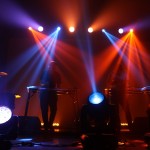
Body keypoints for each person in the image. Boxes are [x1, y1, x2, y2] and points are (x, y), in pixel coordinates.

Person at [108, 64, 133, 133]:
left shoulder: (123, 73)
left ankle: (130, 127)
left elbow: (126, 82)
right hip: (116, 94)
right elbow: (109, 82)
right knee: (116, 112)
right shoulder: (113, 74)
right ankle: (118, 127)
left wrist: (118, 82)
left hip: (121, 94)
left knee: (126, 111)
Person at [39, 61, 61, 131]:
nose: (52, 67)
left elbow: (59, 85)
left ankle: (50, 124)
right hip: (44, 94)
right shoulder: (44, 73)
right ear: (49, 66)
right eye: (51, 66)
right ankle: (46, 125)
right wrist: (45, 84)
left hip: (52, 94)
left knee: (54, 110)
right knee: (44, 110)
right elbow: (41, 83)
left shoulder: (57, 74)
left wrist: (57, 88)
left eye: (54, 66)